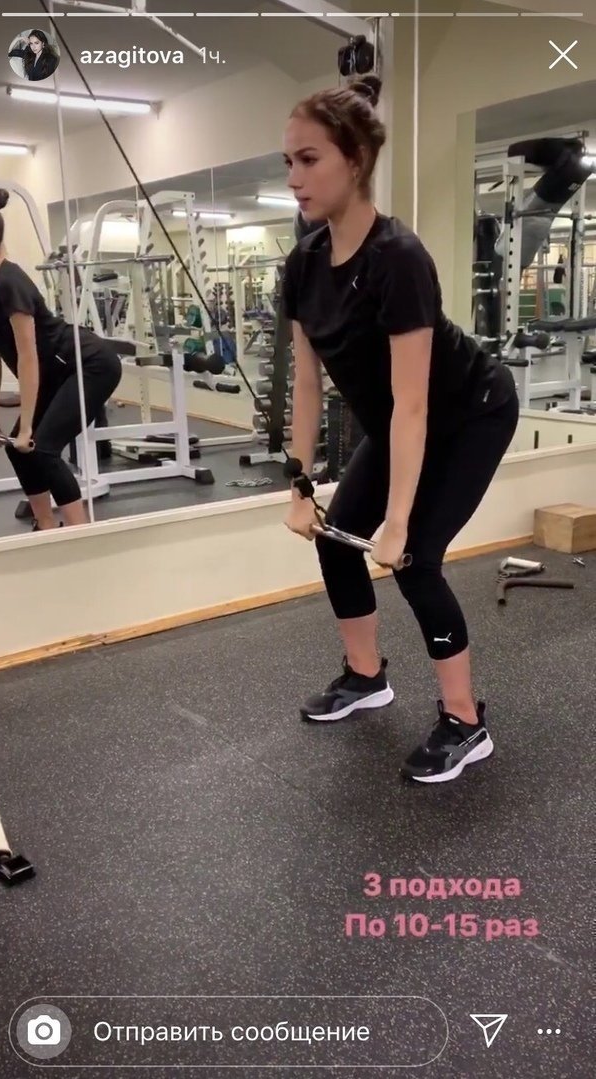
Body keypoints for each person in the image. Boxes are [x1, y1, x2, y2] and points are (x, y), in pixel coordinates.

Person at [281, 75, 519, 784]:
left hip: (470, 412)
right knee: (334, 538)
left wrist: (396, 520)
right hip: (401, 421)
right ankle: (366, 677)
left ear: (354, 160)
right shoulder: (302, 266)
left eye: (309, 159)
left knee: (414, 558)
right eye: (288, 161)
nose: (293, 177)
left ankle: (465, 722)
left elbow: (413, 405)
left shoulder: (399, 259)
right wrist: (299, 486)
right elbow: (305, 384)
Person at [0, 189, 122, 529]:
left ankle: (80, 535)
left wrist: (27, 426)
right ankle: (47, 527)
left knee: (42, 448)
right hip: (57, 371)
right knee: (18, 450)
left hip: (89, 364)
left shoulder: (10, 282)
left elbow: (27, 357)